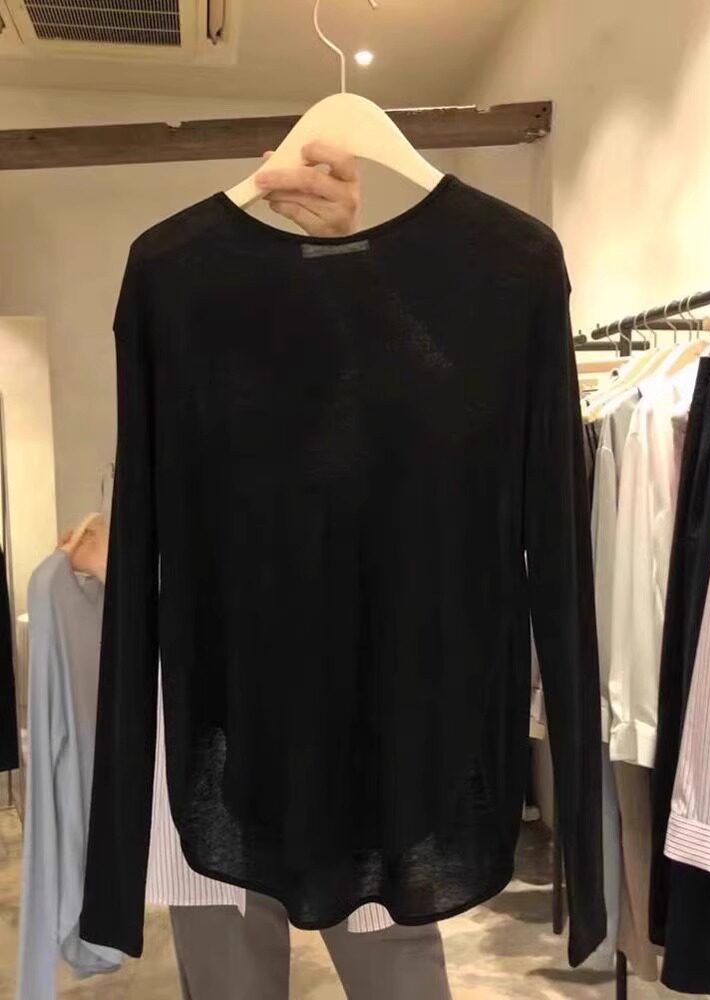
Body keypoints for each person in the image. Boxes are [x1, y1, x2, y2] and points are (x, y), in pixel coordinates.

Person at [167, 143, 454, 1000]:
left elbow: (442, 433)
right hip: (214, 719)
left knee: (393, 954)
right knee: (227, 956)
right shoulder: (182, 351)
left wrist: (350, 268)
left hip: (356, 713)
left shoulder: (379, 375)